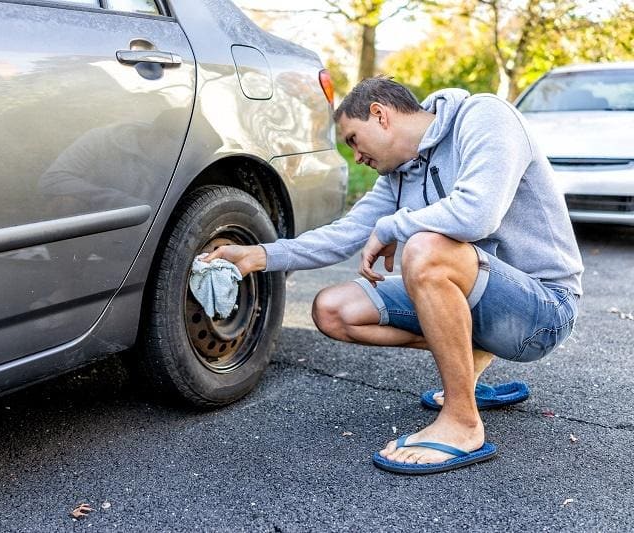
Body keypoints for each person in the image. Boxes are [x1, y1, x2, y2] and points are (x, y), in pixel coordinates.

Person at [202, 76, 583, 475]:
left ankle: (463, 423)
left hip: (542, 309)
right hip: (479, 299)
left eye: (352, 138)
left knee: (424, 249)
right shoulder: (399, 175)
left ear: (380, 115)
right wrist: (259, 255)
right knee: (333, 309)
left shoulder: (484, 116)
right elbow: (343, 235)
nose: (356, 156)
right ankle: (470, 362)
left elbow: (477, 214)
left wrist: (392, 227)